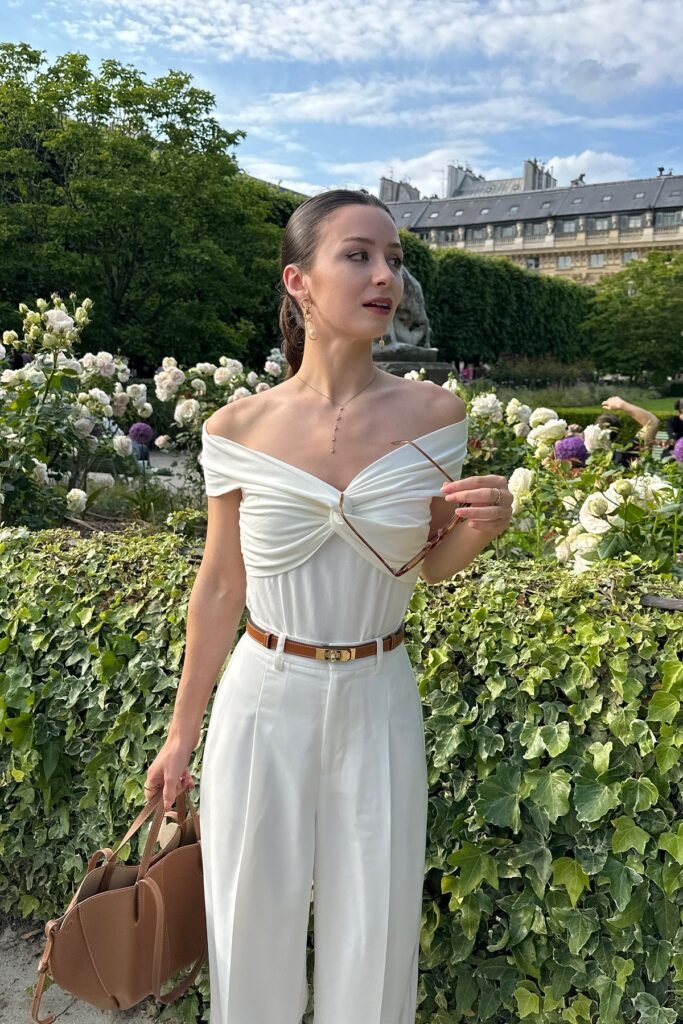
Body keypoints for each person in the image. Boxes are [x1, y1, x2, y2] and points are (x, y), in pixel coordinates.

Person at [144, 189, 513, 1024]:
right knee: (249, 924)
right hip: (262, 694)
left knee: (373, 933)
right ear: (299, 281)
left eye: (395, 259)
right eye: (358, 255)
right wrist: (178, 737)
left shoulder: (434, 414)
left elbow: (426, 567)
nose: (386, 275)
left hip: (378, 694)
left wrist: (479, 534)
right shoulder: (236, 427)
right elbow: (219, 586)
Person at [597, 395, 660, 468]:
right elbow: (652, 422)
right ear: (618, 432)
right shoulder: (628, 452)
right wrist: (622, 405)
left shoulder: (585, 449)